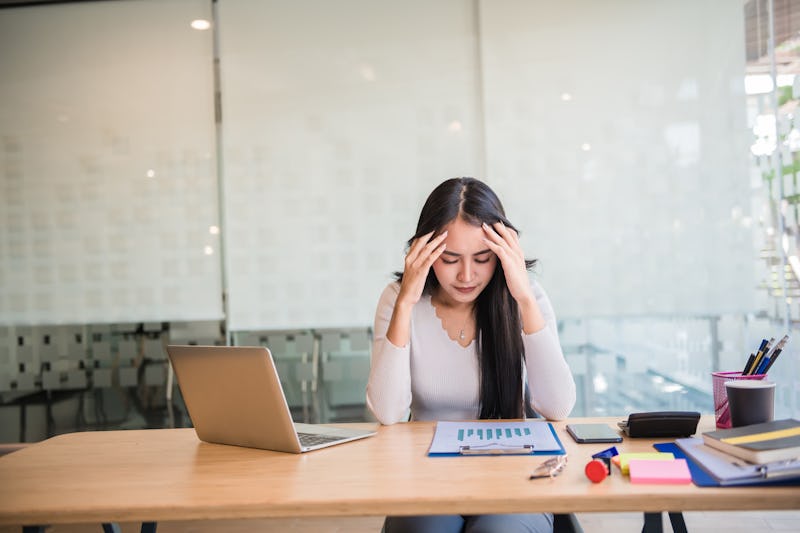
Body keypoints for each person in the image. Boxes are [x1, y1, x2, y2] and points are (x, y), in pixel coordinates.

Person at [366, 177, 576, 533]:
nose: (466, 275)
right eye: (449, 260)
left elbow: (558, 407)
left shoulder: (526, 296)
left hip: (513, 474)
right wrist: (406, 303)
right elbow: (388, 412)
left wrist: (523, 298)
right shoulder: (399, 299)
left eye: (482, 259)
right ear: (424, 254)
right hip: (426, 476)